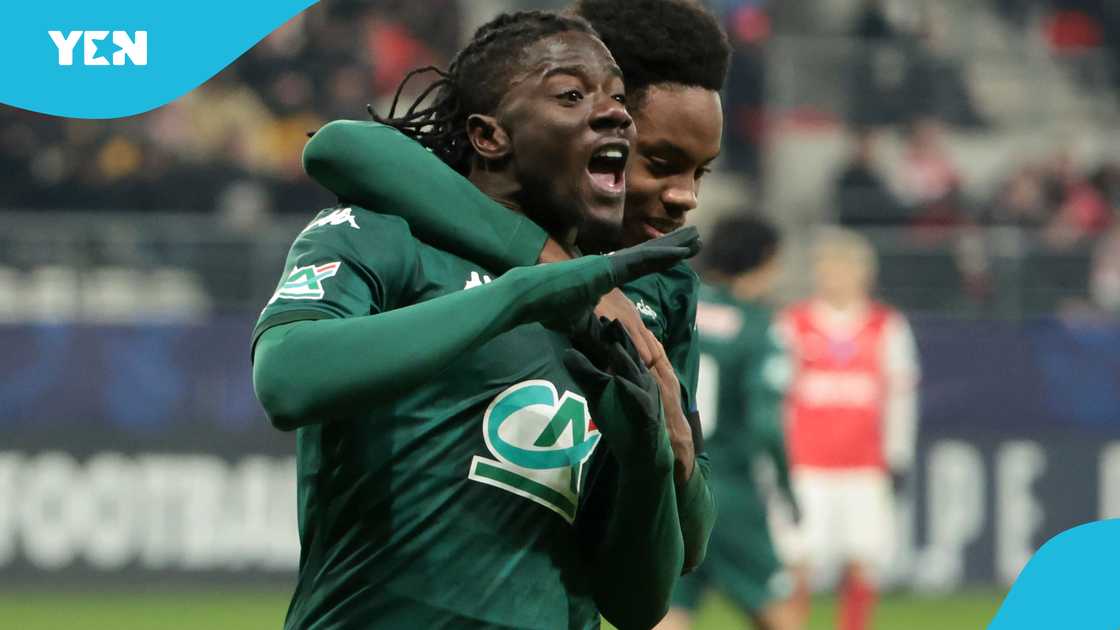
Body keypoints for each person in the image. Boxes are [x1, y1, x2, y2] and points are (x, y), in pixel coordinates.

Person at [253, 12, 699, 629]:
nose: (616, 114)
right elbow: (286, 378)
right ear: (490, 137)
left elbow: (636, 605)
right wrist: (521, 295)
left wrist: (652, 457)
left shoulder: (626, 312)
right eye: (572, 95)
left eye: (619, 99)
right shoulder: (386, 233)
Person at [657, 216, 800, 630]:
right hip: (730, 489)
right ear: (765, 259)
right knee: (779, 612)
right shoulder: (759, 326)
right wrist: (786, 486)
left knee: (671, 609)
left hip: (671, 484)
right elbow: (767, 424)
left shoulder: (676, 305)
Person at [774, 228, 921, 630]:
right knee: (797, 562)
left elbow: (901, 398)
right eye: (826, 267)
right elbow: (777, 396)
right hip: (807, 465)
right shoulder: (794, 324)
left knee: (863, 561)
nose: (833, 275)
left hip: (864, 466)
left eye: (842, 267)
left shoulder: (886, 326)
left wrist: (898, 455)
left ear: (863, 273)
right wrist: (778, 456)